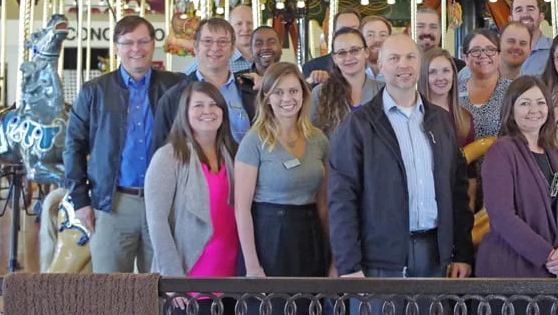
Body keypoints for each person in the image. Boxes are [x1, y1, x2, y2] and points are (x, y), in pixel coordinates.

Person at [328, 34, 474, 281]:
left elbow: (457, 190)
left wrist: (462, 252)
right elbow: (342, 197)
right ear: (380, 65)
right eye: (394, 58)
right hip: (379, 260)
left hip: (435, 255)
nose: (403, 65)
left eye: (410, 57)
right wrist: (348, 265)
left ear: (419, 63)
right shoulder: (359, 124)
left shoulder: (440, 121)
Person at [64, 15, 183, 273]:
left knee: (160, 283)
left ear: (153, 44)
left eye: (142, 41)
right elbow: (73, 146)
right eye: (128, 43)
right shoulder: (94, 91)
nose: (136, 49)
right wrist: (80, 200)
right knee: (110, 287)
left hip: (163, 202)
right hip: (113, 203)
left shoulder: (174, 86)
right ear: (116, 47)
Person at [144, 82, 238, 315]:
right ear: (184, 112)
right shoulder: (168, 157)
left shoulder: (233, 153)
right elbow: (156, 222)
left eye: (213, 104)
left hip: (232, 280)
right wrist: (174, 279)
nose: (207, 111)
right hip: (189, 283)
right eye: (198, 105)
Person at [476, 76, 558, 277]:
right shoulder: (500, 151)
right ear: (511, 110)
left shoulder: (556, 154)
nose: (534, 110)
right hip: (512, 268)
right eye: (525, 103)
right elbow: (502, 216)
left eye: (541, 103)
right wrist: (547, 255)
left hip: (556, 270)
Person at [234, 62, 331, 280]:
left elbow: (324, 205)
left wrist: (334, 256)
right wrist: (252, 267)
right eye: (278, 92)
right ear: (267, 98)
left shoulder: (319, 140)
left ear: (303, 94)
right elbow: (241, 209)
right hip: (269, 240)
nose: (287, 98)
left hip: (311, 238)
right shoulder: (254, 141)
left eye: (293, 91)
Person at [151, 18, 258, 154]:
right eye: (207, 41)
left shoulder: (252, 91)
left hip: (244, 166)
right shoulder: (174, 97)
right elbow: (161, 153)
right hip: (194, 167)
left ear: (232, 50)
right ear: (196, 47)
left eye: (222, 42)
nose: (215, 48)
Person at [458, 29, 512, 211]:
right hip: (462, 180)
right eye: (476, 50)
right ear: (465, 57)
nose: (483, 55)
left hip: (502, 179)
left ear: (499, 55)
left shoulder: (514, 91)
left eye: (490, 49)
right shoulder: (453, 91)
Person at [309, 27, 384, 136]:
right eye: (341, 53)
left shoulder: (384, 91)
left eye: (355, 50)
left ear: (366, 52)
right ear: (334, 58)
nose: (348, 57)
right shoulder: (320, 93)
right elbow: (310, 136)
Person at [418, 48, 475, 148]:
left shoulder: (465, 117)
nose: (440, 78)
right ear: (424, 76)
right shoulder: (414, 116)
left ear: (453, 75)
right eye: (433, 72)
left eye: (446, 71)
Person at [184, 5, 253, 75]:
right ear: (230, 28)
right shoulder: (208, 59)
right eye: (239, 24)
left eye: (250, 23)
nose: (246, 28)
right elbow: (183, 79)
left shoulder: (259, 58)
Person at [303, 9, 362, 84]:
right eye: (343, 30)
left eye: (354, 30)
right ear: (334, 35)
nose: (349, 35)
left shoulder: (369, 65)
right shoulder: (313, 67)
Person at [511, 0, 553, 76]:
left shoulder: (555, 49)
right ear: (511, 19)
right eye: (519, 10)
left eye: (530, 9)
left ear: (541, 16)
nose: (525, 14)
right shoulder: (502, 51)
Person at [415, 7, 466, 71]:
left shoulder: (458, 68)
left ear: (441, 31)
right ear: (410, 31)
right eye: (420, 26)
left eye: (433, 27)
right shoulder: (405, 66)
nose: (427, 32)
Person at [361, 15, 392, 81]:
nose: (377, 40)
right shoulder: (352, 72)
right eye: (370, 35)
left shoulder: (399, 72)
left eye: (383, 35)